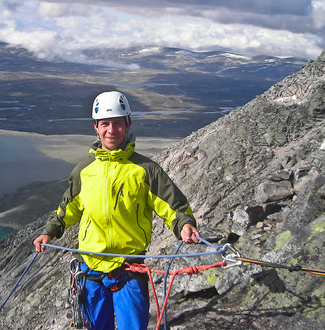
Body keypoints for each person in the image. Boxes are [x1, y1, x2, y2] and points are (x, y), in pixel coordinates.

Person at [33, 91, 200, 330]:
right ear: (96, 127)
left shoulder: (145, 170)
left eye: (118, 123)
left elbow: (172, 204)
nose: (111, 130)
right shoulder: (84, 170)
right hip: (90, 268)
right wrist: (49, 232)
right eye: (105, 124)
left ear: (128, 125)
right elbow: (68, 208)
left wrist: (183, 224)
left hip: (129, 267)